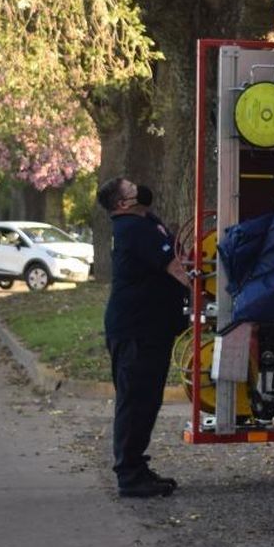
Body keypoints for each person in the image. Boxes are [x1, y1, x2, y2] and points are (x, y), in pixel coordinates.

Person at [97, 177, 190, 498]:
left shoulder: (144, 220)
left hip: (147, 328)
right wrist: (210, 294)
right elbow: (176, 267)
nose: (140, 187)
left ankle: (136, 466)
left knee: (146, 400)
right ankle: (130, 475)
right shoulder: (133, 228)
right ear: (122, 204)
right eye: (131, 188)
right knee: (137, 401)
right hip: (138, 330)